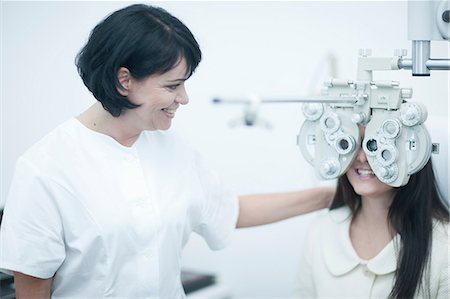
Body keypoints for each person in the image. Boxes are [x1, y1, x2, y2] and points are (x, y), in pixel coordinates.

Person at [0, 4, 333, 298]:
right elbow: (33, 285)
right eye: (172, 86)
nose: (184, 98)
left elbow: (231, 211)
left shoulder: (173, 150)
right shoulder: (46, 167)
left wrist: (330, 196)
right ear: (123, 80)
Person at [295, 126, 449, 298]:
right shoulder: (320, 230)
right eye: (351, 143)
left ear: (413, 149)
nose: (362, 156)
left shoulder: (445, 245)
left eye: (375, 144)